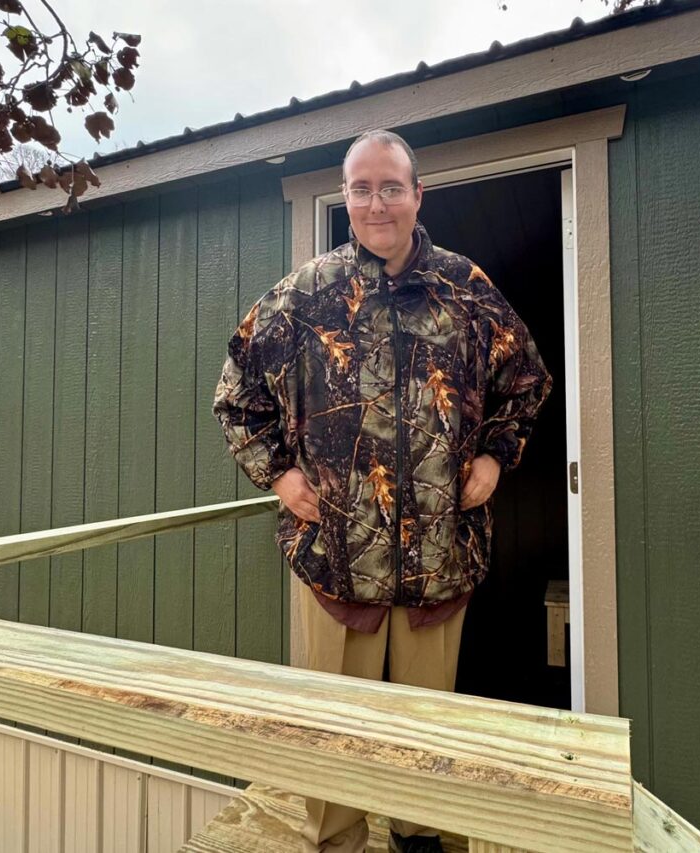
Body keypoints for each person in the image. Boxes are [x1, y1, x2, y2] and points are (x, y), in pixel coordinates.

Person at [212, 128, 551, 853]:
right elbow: (238, 394)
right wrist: (278, 472)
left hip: (439, 556)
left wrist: (494, 456)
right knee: (335, 726)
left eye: (391, 186)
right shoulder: (305, 295)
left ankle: (419, 830)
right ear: (346, 197)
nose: (376, 202)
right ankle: (336, 839)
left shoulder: (465, 288)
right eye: (362, 188)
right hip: (336, 556)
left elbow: (527, 383)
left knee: (425, 722)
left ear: (417, 194)